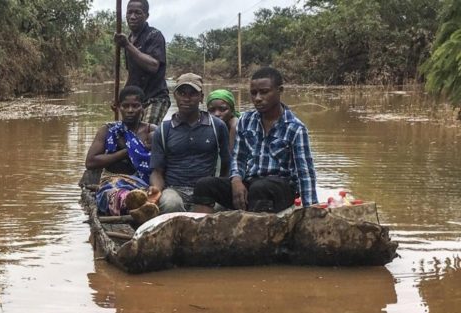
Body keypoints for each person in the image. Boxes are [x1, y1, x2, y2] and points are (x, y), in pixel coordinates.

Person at [192, 67, 318, 213]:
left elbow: (305, 173)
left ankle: (257, 232)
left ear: (280, 90)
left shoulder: (295, 128)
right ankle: (203, 232)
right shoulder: (246, 120)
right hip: (251, 183)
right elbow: (238, 159)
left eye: (264, 92)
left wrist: (311, 210)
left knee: (261, 188)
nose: (257, 98)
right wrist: (236, 180)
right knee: (204, 185)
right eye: (253, 93)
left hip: (281, 189)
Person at [149, 73, 230, 214]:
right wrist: (156, 188)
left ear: (201, 97)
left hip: (207, 190)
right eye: (182, 93)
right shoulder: (163, 130)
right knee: (170, 204)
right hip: (174, 189)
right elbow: (157, 171)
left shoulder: (217, 126)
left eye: (192, 94)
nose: (187, 98)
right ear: (175, 96)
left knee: (216, 209)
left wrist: (221, 188)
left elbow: (227, 164)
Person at [85, 86, 159, 222]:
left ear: (143, 107)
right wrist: (127, 152)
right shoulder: (108, 130)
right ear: (119, 107)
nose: (130, 110)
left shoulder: (152, 131)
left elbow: (158, 164)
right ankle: (131, 203)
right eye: (125, 106)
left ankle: (141, 204)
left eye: (135, 106)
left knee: (148, 194)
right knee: (114, 194)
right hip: (112, 181)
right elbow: (90, 162)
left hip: (142, 182)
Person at [114, 0, 169, 126]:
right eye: (130, 12)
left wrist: (127, 46)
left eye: (138, 13)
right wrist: (121, 98)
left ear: (146, 15)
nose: (133, 17)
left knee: (145, 133)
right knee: (128, 135)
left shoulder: (154, 35)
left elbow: (153, 66)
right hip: (136, 100)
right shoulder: (128, 39)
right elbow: (132, 76)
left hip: (156, 98)